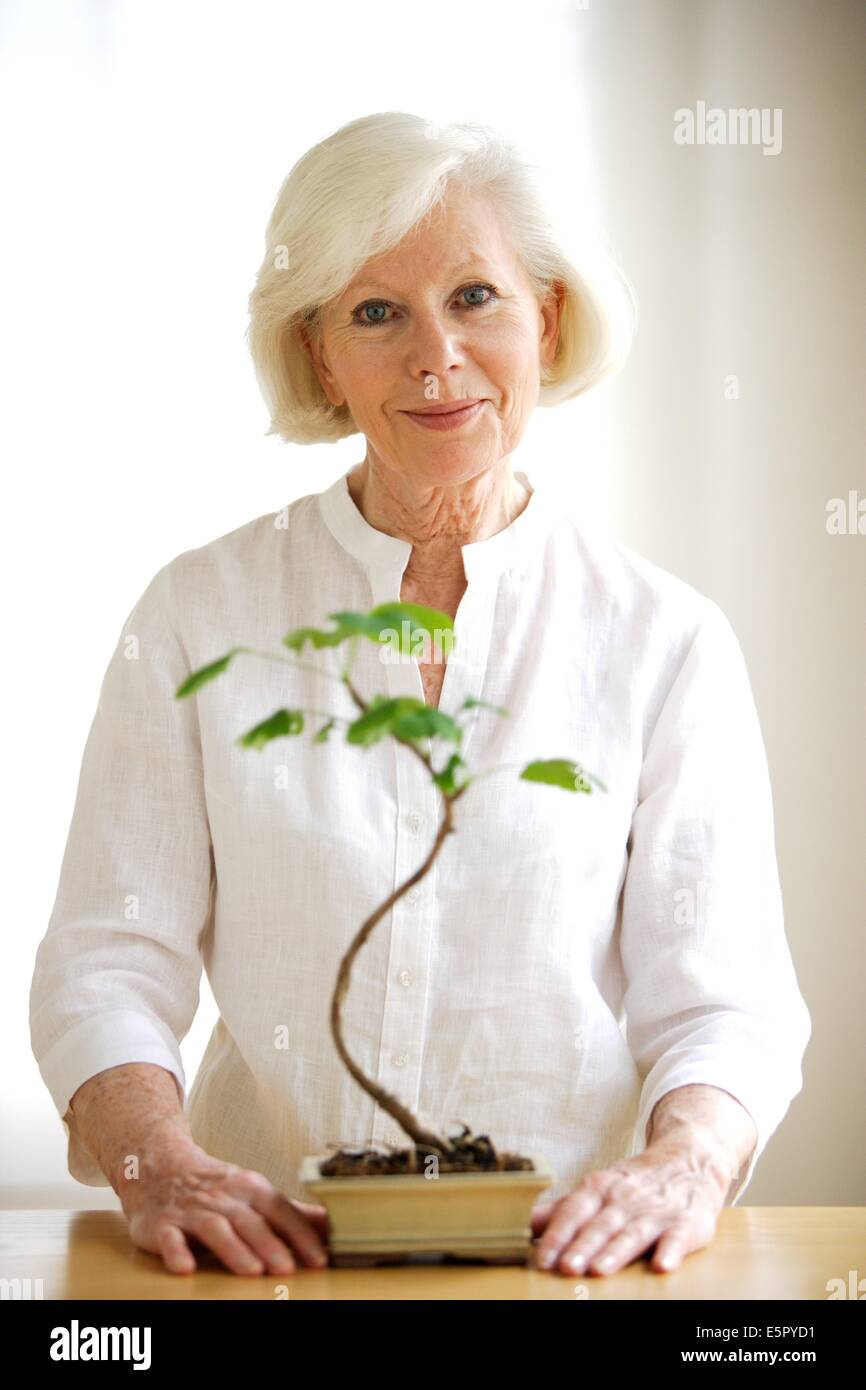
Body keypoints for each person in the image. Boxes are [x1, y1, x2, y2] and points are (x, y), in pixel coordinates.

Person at [30, 111, 811, 1280]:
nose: (435, 355)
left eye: (475, 298)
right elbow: (106, 963)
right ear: (319, 358)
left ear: (543, 322)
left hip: (569, 1267)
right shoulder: (200, 612)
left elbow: (724, 1007)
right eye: (375, 312)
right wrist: (156, 1163)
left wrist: (683, 1165)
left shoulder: (664, 640)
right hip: (259, 1267)